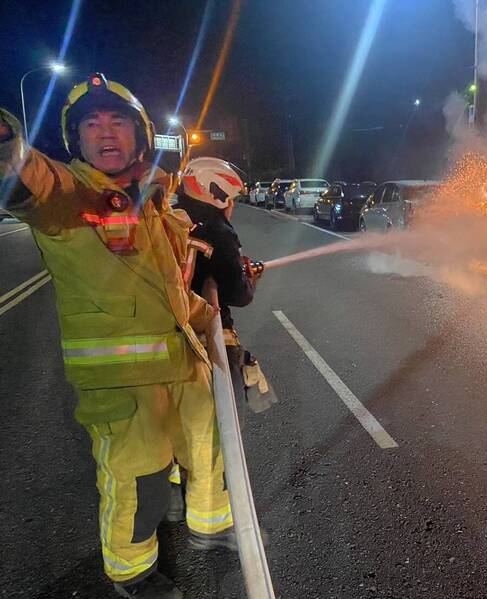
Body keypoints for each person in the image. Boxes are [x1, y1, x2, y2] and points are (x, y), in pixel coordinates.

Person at [0, 73, 234, 599]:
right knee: (139, 479)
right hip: (123, 386)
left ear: (140, 133)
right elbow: (28, 179)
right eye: (91, 122)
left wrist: (212, 329)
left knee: (208, 450)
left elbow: (168, 292)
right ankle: (132, 573)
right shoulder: (73, 195)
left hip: (184, 363)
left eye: (118, 120)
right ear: (75, 139)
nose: (105, 131)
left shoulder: (152, 200)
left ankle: (212, 528)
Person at [164, 157, 277, 521]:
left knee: (171, 422)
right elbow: (237, 293)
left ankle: (171, 495)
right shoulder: (218, 231)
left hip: (165, 340)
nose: (232, 207)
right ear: (216, 192)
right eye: (230, 198)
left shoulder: (167, 220)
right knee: (220, 428)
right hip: (210, 339)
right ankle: (214, 513)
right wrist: (250, 278)